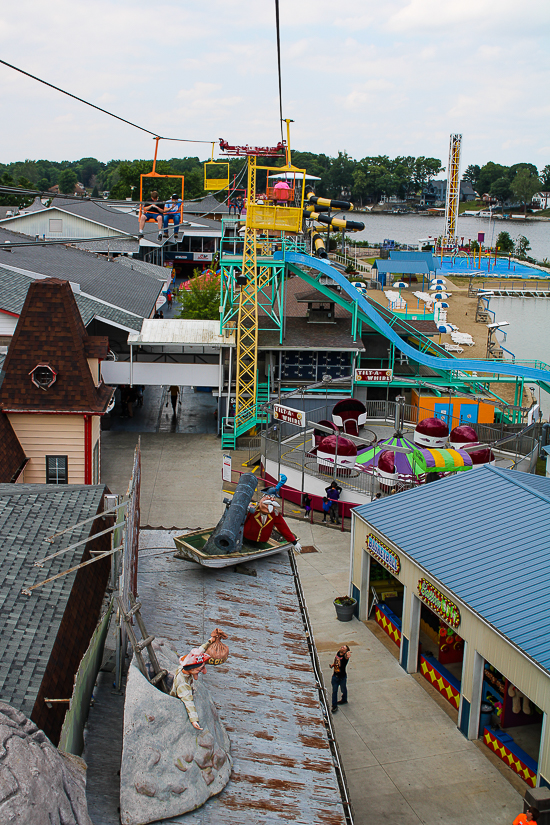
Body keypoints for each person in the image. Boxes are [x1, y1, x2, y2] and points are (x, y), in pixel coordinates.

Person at [170, 633, 217, 730]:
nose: (204, 672)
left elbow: (199, 651)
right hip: (176, 695)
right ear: (192, 669)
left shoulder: (184, 666)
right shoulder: (183, 685)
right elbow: (188, 702)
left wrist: (210, 641)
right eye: (200, 669)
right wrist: (194, 720)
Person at [330, 644, 351, 713]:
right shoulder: (338, 653)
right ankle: (334, 705)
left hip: (342, 677)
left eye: (343, 648)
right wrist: (333, 665)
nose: (341, 647)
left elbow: (346, 657)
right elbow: (336, 661)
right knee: (334, 691)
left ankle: (344, 699)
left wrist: (348, 656)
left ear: (345, 651)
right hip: (335, 676)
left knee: (343, 689)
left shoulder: (344, 658)